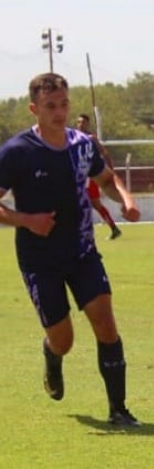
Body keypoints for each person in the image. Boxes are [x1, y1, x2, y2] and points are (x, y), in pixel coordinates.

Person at [0, 73, 142, 426]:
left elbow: (106, 179)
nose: (59, 112)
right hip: (39, 260)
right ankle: (52, 355)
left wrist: (125, 199)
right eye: (50, 106)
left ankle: (119, 411)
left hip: (81, 250)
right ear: (34, 109)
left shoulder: (82, 144)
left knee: (105, 321)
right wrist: (26, 220)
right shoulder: (16, 153)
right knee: (64, 340)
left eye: (64, 104)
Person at [75, 113, 123, 240]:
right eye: (79, 122)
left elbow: (104, 152)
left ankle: (113, 228)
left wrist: (110, 170)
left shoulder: (91, 138)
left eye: (83, 122)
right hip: (77, 176)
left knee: (94, 203)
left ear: (88, 124)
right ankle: (112, 228)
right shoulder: (72, 137)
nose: (81, 125)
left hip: (90, 177)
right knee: (84, 204)